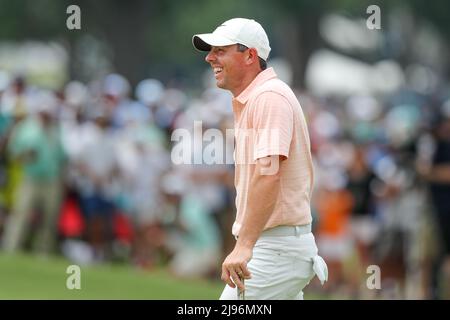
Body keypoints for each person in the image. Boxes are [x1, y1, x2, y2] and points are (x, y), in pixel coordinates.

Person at [192, 17, 328, 300]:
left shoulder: (268, 97)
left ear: (250, 55)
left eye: (220, 50)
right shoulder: (261, 97)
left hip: (275, 250)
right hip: (280, 247)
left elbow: (268, 174)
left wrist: (244, 245)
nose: (209, 58)